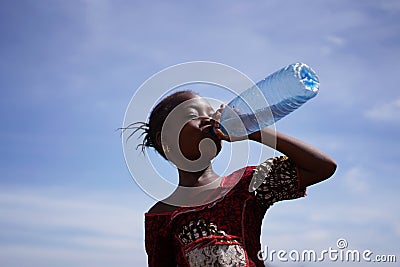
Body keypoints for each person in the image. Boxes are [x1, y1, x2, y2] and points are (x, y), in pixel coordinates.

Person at [129, 90, 336, 267]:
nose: (209, 120)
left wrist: (255, 131)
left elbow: (321, 166)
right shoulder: (161, 215)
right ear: (165, 139)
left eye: (211, 114)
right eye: (193, 114)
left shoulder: (245, 184)